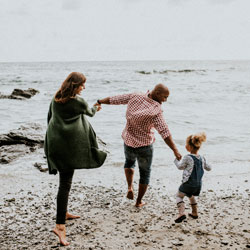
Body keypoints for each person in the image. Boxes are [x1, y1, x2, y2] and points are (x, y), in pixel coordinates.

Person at [44, 72, 107, 246]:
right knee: (65, 184)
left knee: (64, 181)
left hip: (55, 142)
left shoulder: (56, 98)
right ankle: (60, 227)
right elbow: (90, 112)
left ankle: (63, 213)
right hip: (66, 147)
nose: (84, 87)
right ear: (74, 85)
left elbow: (49, 119)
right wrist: (96, 107)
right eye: (82, 85)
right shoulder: (78, 101)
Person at [97, 83, 181, 207]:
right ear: (157, 94)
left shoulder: (135, 95)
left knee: (129, 163)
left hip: (128, 141)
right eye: (165, 97)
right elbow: (164, 132)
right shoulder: (155, 111)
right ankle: (139, 201)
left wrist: (100, 101)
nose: (165, 100)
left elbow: (116, 99)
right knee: (145, 173)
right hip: (145, 146)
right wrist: (175, 149)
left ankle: (130, 188)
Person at [174, 132, 212, 223]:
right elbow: (209, 168)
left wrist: (176, 160)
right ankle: (194, 212)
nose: (185, 146)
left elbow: (180, 167)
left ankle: (181, 213)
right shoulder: (202, 158)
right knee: (190, 195)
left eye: (186, 144)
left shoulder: (187, 157)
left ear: (190, 147)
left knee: (179, 196)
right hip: (198, 184)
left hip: (188, 183)